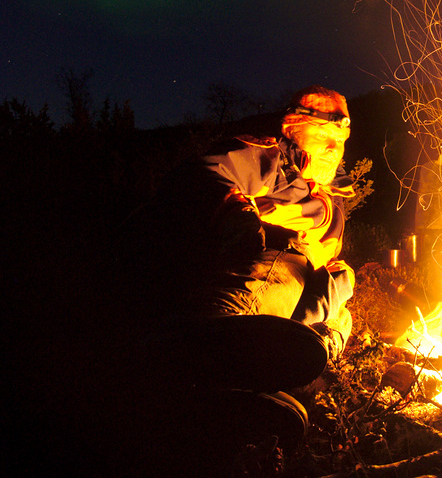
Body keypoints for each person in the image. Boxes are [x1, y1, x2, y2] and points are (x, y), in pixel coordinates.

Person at [128, 85, 357, 462]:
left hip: (293, 297)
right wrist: (239, 217)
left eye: (340, 139)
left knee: (341, 313)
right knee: (288, 257)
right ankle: (197, 336)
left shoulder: (333, 200)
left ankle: (271, 386)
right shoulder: (268, 159)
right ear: (293, 129)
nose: (334, 147)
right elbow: (202, 175)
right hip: (240, 266)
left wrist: (337, 280)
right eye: (324, 135)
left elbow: (326, 264)